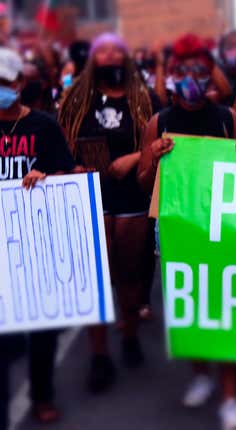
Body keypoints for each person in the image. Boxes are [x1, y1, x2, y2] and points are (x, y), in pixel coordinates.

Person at [137, 33, 236, 430]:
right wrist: (153, 158)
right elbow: (142, 181)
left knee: (227, 314)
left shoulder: (227, 118)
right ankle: (202, 375)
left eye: (200, 72)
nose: (192, 78)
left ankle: (230, 396)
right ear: (173, 77)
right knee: (188, 310)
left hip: (222, 230)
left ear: (210, 77)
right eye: (184, 71)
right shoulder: (160, 121)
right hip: (178, 230)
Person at [58, 33, 154, 394]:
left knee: (129, 276)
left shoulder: (142, 97)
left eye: (117, 50)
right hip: (87, 197)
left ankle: (129, 336)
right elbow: (60, 146)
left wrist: (134, 158)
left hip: (130, 196)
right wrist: (73, 168)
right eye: (103, 51)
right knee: (95, 281)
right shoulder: (74, 101)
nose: (111, 56)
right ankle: (99, 355)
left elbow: (162, 140)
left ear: (126, 58)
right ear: (93, 59)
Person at [0, 47, 78, 426]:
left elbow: (69, 172)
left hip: (35, 240)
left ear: (19, 83)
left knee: (41, 326)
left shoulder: (44, 126)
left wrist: (46, 177)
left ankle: (42, 395)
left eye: (4, 82)